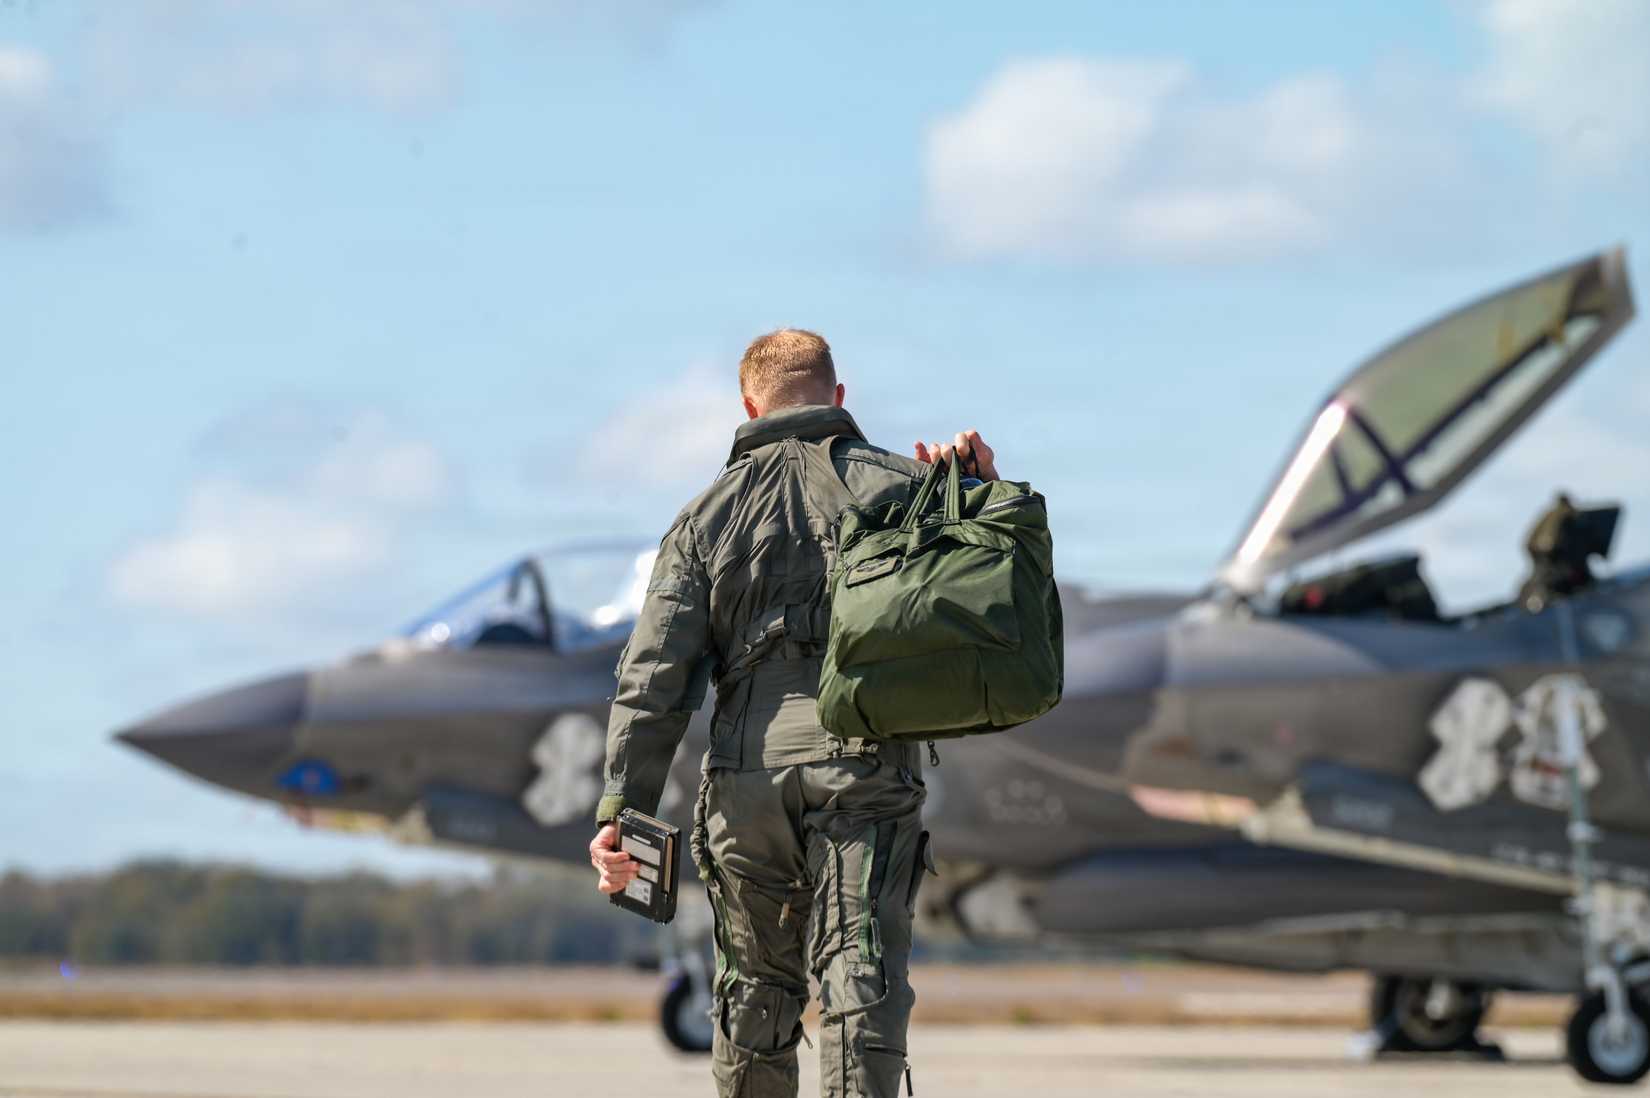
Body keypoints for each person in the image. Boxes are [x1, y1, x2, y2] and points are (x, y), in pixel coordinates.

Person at [588, 328, 998, 1097]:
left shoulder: (701, 518)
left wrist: (622, 807)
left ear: (749, 404)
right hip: (861, 772)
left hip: (746, 785)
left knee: (754, 990)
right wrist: (975, 487)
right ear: (839, 398)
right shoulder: (904, 487)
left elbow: (653, 680)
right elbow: (988, 601)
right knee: (858, 975)